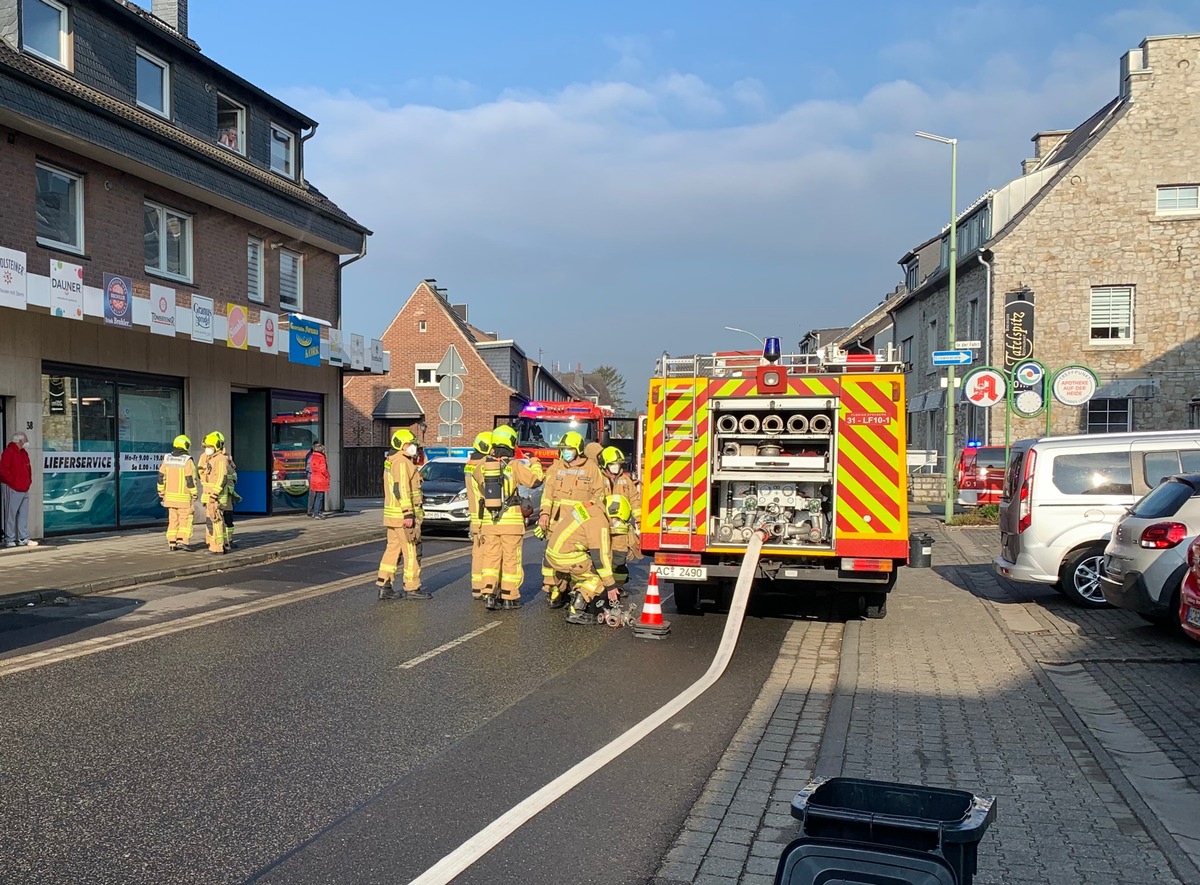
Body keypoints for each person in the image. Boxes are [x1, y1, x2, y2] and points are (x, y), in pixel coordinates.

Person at [477, 425, 544, 611]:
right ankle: (509, 597)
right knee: (510, 559)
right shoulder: (513, 466)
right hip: (511, 523)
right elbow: (535, 480)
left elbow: (478, 482)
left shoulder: (483, 466)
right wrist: (535, 462)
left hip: (490, 521)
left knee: (490, 559)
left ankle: (489, 594)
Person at [537, 430, 606, 607]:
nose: (564, 452)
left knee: (578, 561)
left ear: (578, 449)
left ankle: (578, 594)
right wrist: (544, 514)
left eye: (568, 448)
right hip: (555, 524)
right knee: (551, 560)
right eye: (562, 449)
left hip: (578, 527)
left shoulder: (591, 469)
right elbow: (548, 494)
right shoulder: (556, 467)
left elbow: (599, 496)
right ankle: (555, 591)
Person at [543, 498, 620, 626]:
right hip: (565, 556)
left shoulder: (589, 507)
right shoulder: (599, 522)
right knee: (597, 577)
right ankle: (576, 610)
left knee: (584, 568)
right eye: (617, 520)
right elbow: (600, 556)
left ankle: (564, 593)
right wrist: (611, 585)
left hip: (552, 552)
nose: (615, 524)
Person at [376, 429, 430, 601]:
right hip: (403, 516)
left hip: (393, 515)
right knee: (410, 550)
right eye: (410, 444)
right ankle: (412, 587)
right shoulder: (401, 461)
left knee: (392, 549)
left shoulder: (393, 460)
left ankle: (384, 585)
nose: (413, 447)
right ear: (402, 445)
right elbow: (402, 489)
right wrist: (408, 513)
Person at [601, 445, 642, 593]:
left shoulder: (626, 480)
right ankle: (602, 586)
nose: (616, 467)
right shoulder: (598, 479)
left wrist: (639, 520)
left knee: (619, 559)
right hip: (602, 527)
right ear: (605, 464)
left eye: (618, 464)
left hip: (620, 529)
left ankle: (618, 586)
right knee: (602, 557)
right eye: (612, 464)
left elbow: (635, 501)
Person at [157, 435, 199, 551]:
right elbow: (190, 479)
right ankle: (183, 541)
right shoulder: (187, 460)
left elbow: (161, 477)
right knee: (185, 520)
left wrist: (161, 491)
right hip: (183, 498)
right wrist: (194, 493)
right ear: (186, 445)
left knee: (173, 520)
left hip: (169, 498)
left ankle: (172, 543)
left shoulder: (167, 459)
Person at [466, 431, 493, 599]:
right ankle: (486, 588)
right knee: (488, 553)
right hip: (485, 516)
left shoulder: (469, 463)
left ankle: (477, 587)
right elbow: (488, 490)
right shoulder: (482, 464)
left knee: (477, 553)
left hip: (474, 516)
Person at [0, 432, 37, 549]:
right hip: (12, 487)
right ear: (20, 441)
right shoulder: (8, 452)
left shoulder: (23, 453)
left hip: (23, 487)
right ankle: (9, 538)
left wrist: (28, 482)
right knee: (10, 514)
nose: (26, 442)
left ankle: (23, 537)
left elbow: (28, 468)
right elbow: (3, 470)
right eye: (25, 440)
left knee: (23, 514)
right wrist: (12, 482)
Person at [199, 431, 233, 554]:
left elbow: (221, 478)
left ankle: (217, 548)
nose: (207, 449)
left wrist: (214, 494)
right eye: (206, 447)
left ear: (216, 446)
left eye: (209, 446)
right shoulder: (209, 458)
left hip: (216, 497)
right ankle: (220, 544)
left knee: (216, 520)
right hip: (209, 495)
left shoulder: (220, 459)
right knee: (213, 521)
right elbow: (202, 472)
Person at [307, 441, 330, 518]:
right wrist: (327, 476)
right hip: (320, 478)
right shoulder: (321, 458)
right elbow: (323, 469)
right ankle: (317, 512)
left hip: (314, 477)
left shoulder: (312, 457)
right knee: (320, 496)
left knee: (316, 495)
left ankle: (315, 512)